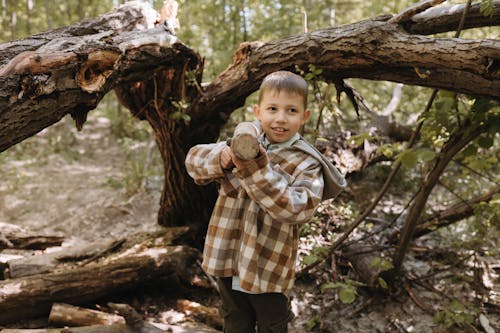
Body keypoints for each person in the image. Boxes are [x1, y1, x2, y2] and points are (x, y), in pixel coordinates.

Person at [185, 70, 345, 333]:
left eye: (291, 111)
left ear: (304, 117)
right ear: (258, 112)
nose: (281, 118)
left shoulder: (307, 163)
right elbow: (193, 163)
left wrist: (256, 168)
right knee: (235, 319)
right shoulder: (244, 142)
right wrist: (222, 157)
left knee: (272, 323)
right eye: (273, 109)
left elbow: (295, 209)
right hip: (229, 255)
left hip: (267, 265)